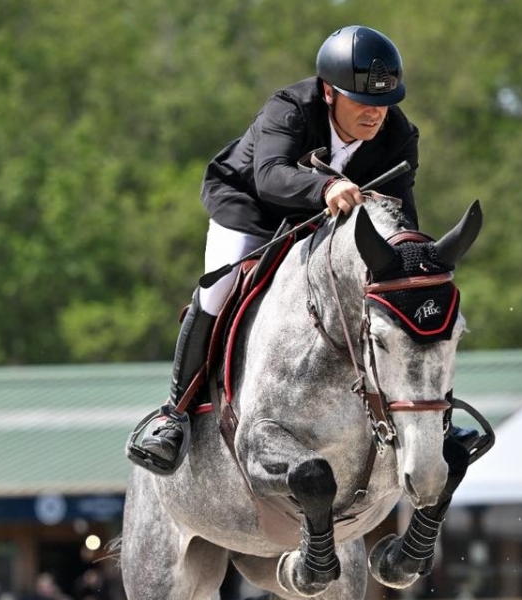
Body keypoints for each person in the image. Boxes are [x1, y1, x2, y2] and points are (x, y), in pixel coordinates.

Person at [129, 25, 423, 475]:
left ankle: (421, 413)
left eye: (383, 103)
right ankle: (175, 414)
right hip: (249, 207)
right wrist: (327, 185)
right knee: (221, 287)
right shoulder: (289, 108)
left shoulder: (398, 134)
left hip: (323, 221)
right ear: (328, 92)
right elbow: (269, 176)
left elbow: (402, 213)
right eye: (362, 102)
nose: (375, 115)